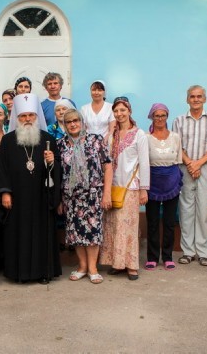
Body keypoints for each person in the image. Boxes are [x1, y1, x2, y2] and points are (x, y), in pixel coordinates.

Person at [0, 93, 61, 284]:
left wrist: (52, 162)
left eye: (31, 115)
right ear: (17, 118)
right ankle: (19, 273)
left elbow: (58, 170)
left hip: (41, 196)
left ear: (36, 117)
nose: (27, 119)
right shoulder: (8, 141)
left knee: (42, 234)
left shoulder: (48, 139)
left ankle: (44, 272)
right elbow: (2, 169)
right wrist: (5, 192)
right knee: (18, 234)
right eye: (23, 116)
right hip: (17, 197)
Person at [56, 109, 112, 285]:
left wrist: (107, 193)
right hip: (71, 197)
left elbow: (107, 167)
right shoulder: (60, 145)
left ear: (82, 122)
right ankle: (82, 267)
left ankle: (93, 269)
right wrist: (59, 199)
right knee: (75, 232)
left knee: (93, 231)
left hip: (93, 195)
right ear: (64, 125)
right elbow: (58, 174)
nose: (73, 124)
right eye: (68, 122)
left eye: (76, 120)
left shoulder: (95, 140)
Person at [172, 85, 207, 267]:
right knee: (186, 210)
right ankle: (188, 252)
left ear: (205, 99)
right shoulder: (179, 121)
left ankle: (203, 253)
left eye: (199, 96)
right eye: (192, 96)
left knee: (204, 210)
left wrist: (198, 163)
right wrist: (190, 163)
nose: (196, 99)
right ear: (187, 99)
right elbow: (177, 146)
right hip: (185, 167)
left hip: (206, 168)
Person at [99, 97, 149, 281]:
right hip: (112, 186)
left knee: (128, 227)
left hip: (131, 187)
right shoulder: (112, 135)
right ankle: (117, 263)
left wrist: (144, 188)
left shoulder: (139, 134)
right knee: (113, 226)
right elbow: (105, 159)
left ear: (129, 111)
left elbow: (144, 162)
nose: (119, 114)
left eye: (122, 110)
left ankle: (131, 265)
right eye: (116, 111)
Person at [144, 103, 182, 271]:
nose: (160, 118)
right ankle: (152, 257)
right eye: (156, 115)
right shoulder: (146, 137)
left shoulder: (175, 137)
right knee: (152, 221)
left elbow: (178, 160)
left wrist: (176, 179)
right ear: (152, 117)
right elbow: (143, 161)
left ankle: (167, 257)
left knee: (169, 221)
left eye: (163, 115)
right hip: (152, 181)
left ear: (167, 117)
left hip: (172, 181)